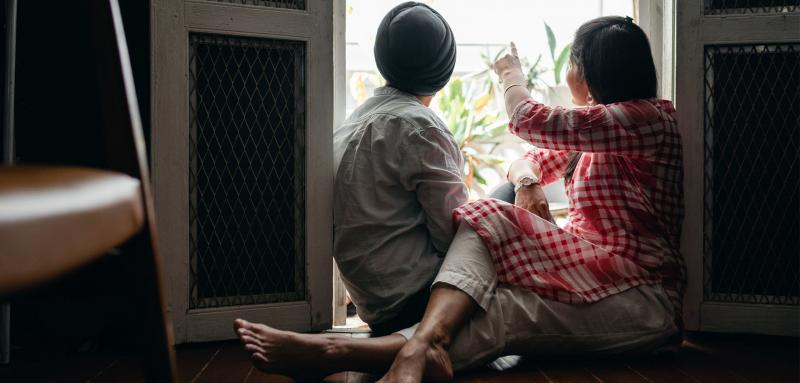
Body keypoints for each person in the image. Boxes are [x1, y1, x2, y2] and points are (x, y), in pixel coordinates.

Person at [234, 15, 685, 383]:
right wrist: (527, 179)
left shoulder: (649, 120)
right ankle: (397, 351)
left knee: (496, 258)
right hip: (595, 273)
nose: (568, 71)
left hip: (642, 294)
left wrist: (510, 74)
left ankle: (350, 351)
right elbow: (528, 158)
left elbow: (530, 120)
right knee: (494, 252)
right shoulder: (600, 129)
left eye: (574, 60)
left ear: (591, 72)